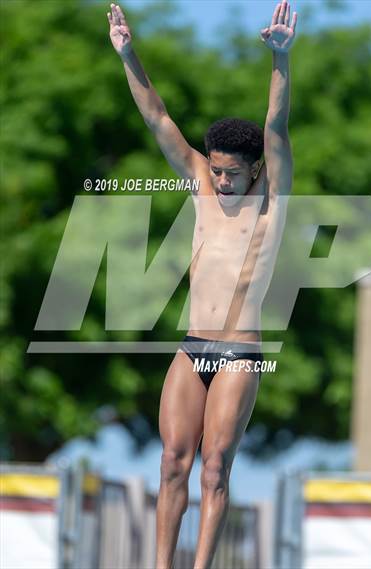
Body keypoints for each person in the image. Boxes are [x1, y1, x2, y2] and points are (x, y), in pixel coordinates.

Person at [108, 2, 297, 567]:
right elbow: (158, 117)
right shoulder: (202, 186)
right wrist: (127, 54)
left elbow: (276, 128)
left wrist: (281, 60)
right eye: (215, 169)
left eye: (232, 172)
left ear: (256, 171)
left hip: (242, 351)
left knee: (215, 465)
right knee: (172, 461)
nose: (220, 180)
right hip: (193, 347)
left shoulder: (271, 201)